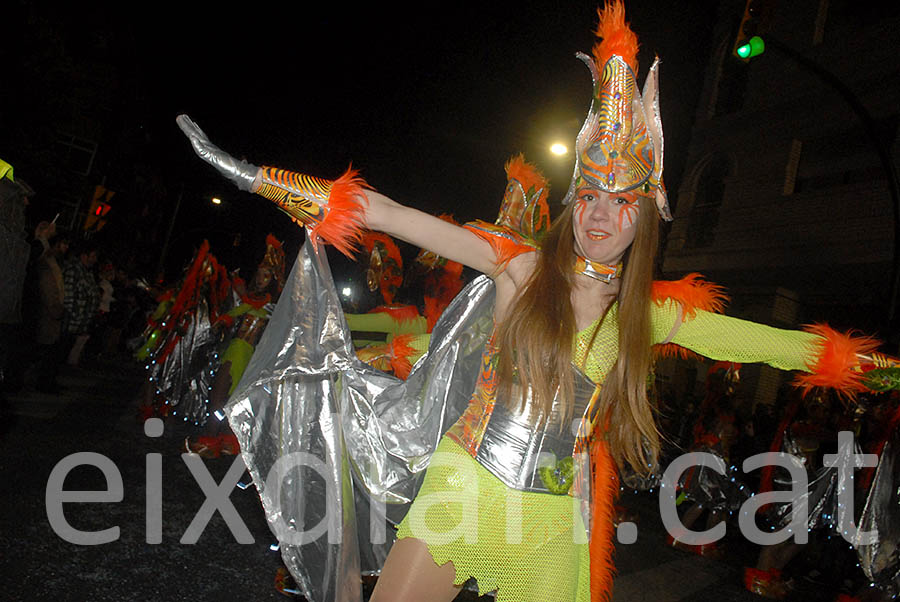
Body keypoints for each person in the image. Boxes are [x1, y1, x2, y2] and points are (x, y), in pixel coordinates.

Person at [175, 3, 898, 601]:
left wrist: (876, 367)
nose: (601, 213)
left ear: (643, 218)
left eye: (621, 202)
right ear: (572, 203)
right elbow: (393, 214)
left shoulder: (649, 314)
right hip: (465, 485)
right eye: (589, 196)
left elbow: (758, 340)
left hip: (555, 520)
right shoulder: (520, 268)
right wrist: (252, 175)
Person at [61, 239, 100, 366]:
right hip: (72, 321)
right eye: (93, 256)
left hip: (80, 321)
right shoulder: (74, 270)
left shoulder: (87, 272)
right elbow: (69, 295)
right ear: (84, 256)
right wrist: (75, 314)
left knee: (68, 349)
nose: (95, 259)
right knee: (60, 349)